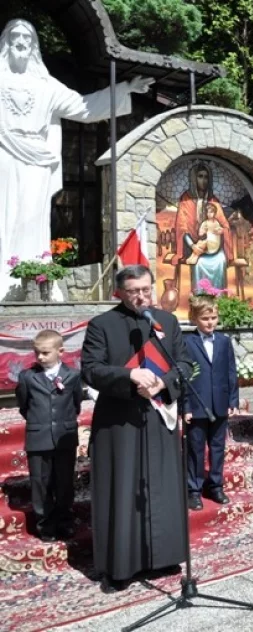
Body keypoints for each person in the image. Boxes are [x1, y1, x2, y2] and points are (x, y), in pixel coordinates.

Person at [0, 19, 153, 299]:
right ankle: (3, 276)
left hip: (36, 158)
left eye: (26, 37)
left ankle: (36, 275)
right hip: (4, 153)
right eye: (15, 37)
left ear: (33, 45)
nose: (21, 42)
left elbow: (83, 107)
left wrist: (124, 90)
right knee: (4, 213)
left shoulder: (45, 86)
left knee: (32, 217)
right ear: (6, 43)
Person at [81, 264, 190, 593]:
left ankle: (164, 556)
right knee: (122, 490)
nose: (141, 296)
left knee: (163, 486)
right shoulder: (102, 325)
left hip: (158, 417)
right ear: (120, 292)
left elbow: (184, 365)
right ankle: (119, 568)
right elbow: (91, 370)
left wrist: (163, 382)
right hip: (119, 421)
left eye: (146, 289)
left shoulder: (166, 322)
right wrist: (129, 376)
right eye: (133, 292)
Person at [15, 329, 83, 542]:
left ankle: (65, 520)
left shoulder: (72, 375)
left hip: (64, 437)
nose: (40, 357)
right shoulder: (28, 377)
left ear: (60, 351)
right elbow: (24, 405)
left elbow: (76, 404)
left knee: (64, 481)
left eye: (45, 353)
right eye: (37, 353)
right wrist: (39, 423)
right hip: (38, 437)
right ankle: (46, 524)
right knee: (40, 482)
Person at [183, 295, 239, 511]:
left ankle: (215, 485)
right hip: (196, 405)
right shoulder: (187, 342)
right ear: (195, 319)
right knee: (196, 449)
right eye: (205, 318)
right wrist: (185, 406)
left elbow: (231, 372)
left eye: (214, 318)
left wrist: (233, 399)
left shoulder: (224, 341)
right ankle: (194, 489)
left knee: (218, 447)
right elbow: (184, 377)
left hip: (220, 403)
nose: (210, 323)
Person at [173, 162, 233, 292]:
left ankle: (219, 299)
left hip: (214, 247)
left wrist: (222, 230)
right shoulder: (186, 199)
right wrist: (193, 246)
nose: (203, 180)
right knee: (199, 264)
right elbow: (182, 228)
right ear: (194, 178)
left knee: (221, 261)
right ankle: (200, 298)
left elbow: (225, 225)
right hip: (193, 247)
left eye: (206, 177)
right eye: (200, 176)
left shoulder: (213, 200)